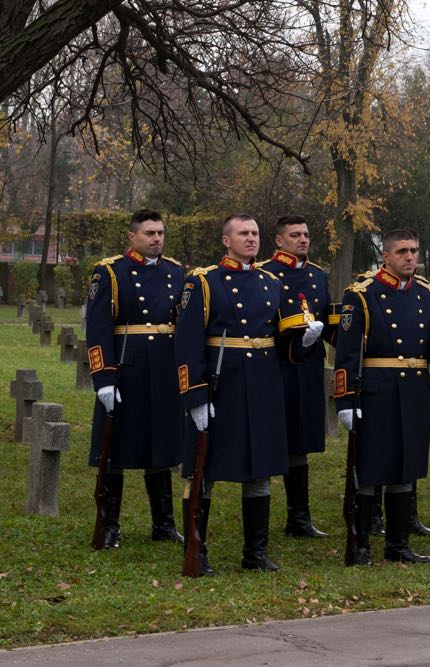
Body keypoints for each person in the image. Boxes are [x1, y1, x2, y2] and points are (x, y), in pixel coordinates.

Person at [175, 214, 323, 574]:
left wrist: (301, 342)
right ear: (227, 240)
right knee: (203, 467)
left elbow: (283, 341)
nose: (251, 239)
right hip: (221, 385)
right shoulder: (204, 281)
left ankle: (255, 553)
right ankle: (198, 549)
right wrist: (195, 396)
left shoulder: (271, 282)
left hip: (262, 385)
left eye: (255, 233)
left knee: (261, 468)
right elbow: (186, 343)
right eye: (243, 233)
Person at [334, 228, 430, 564]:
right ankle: (360, 545)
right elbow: (346, 355)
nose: (410, 257)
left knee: (407, 465)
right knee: (372, 466)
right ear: (385, 256)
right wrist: (345, 400)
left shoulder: (425, 294)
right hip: (376, 390)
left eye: (415, 251)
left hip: (414, 389)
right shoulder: (361, 294)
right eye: (403, 251)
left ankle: (398, 545)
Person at [85, 209, 185, 548]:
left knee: (161, 443)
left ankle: (164, 524)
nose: (156, 238)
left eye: (160, 232)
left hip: (163, 369)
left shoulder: (176, 272)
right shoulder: (111, 272)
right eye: (149, 233)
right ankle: (109, 525)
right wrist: (104, 379)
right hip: (127, 369)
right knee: (116, 446)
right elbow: (97, 330)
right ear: (132, 236)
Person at [259, 215, 332, 539]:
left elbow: (328, 320)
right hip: (276, 366)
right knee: (275, 437)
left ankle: (299, 517)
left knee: (301, 440)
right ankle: (259, 510)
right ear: (279, 240)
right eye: (295, 235)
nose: (303, 240)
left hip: (309, 367)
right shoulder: (266, 274)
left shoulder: (317, 275)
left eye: (305, 234)